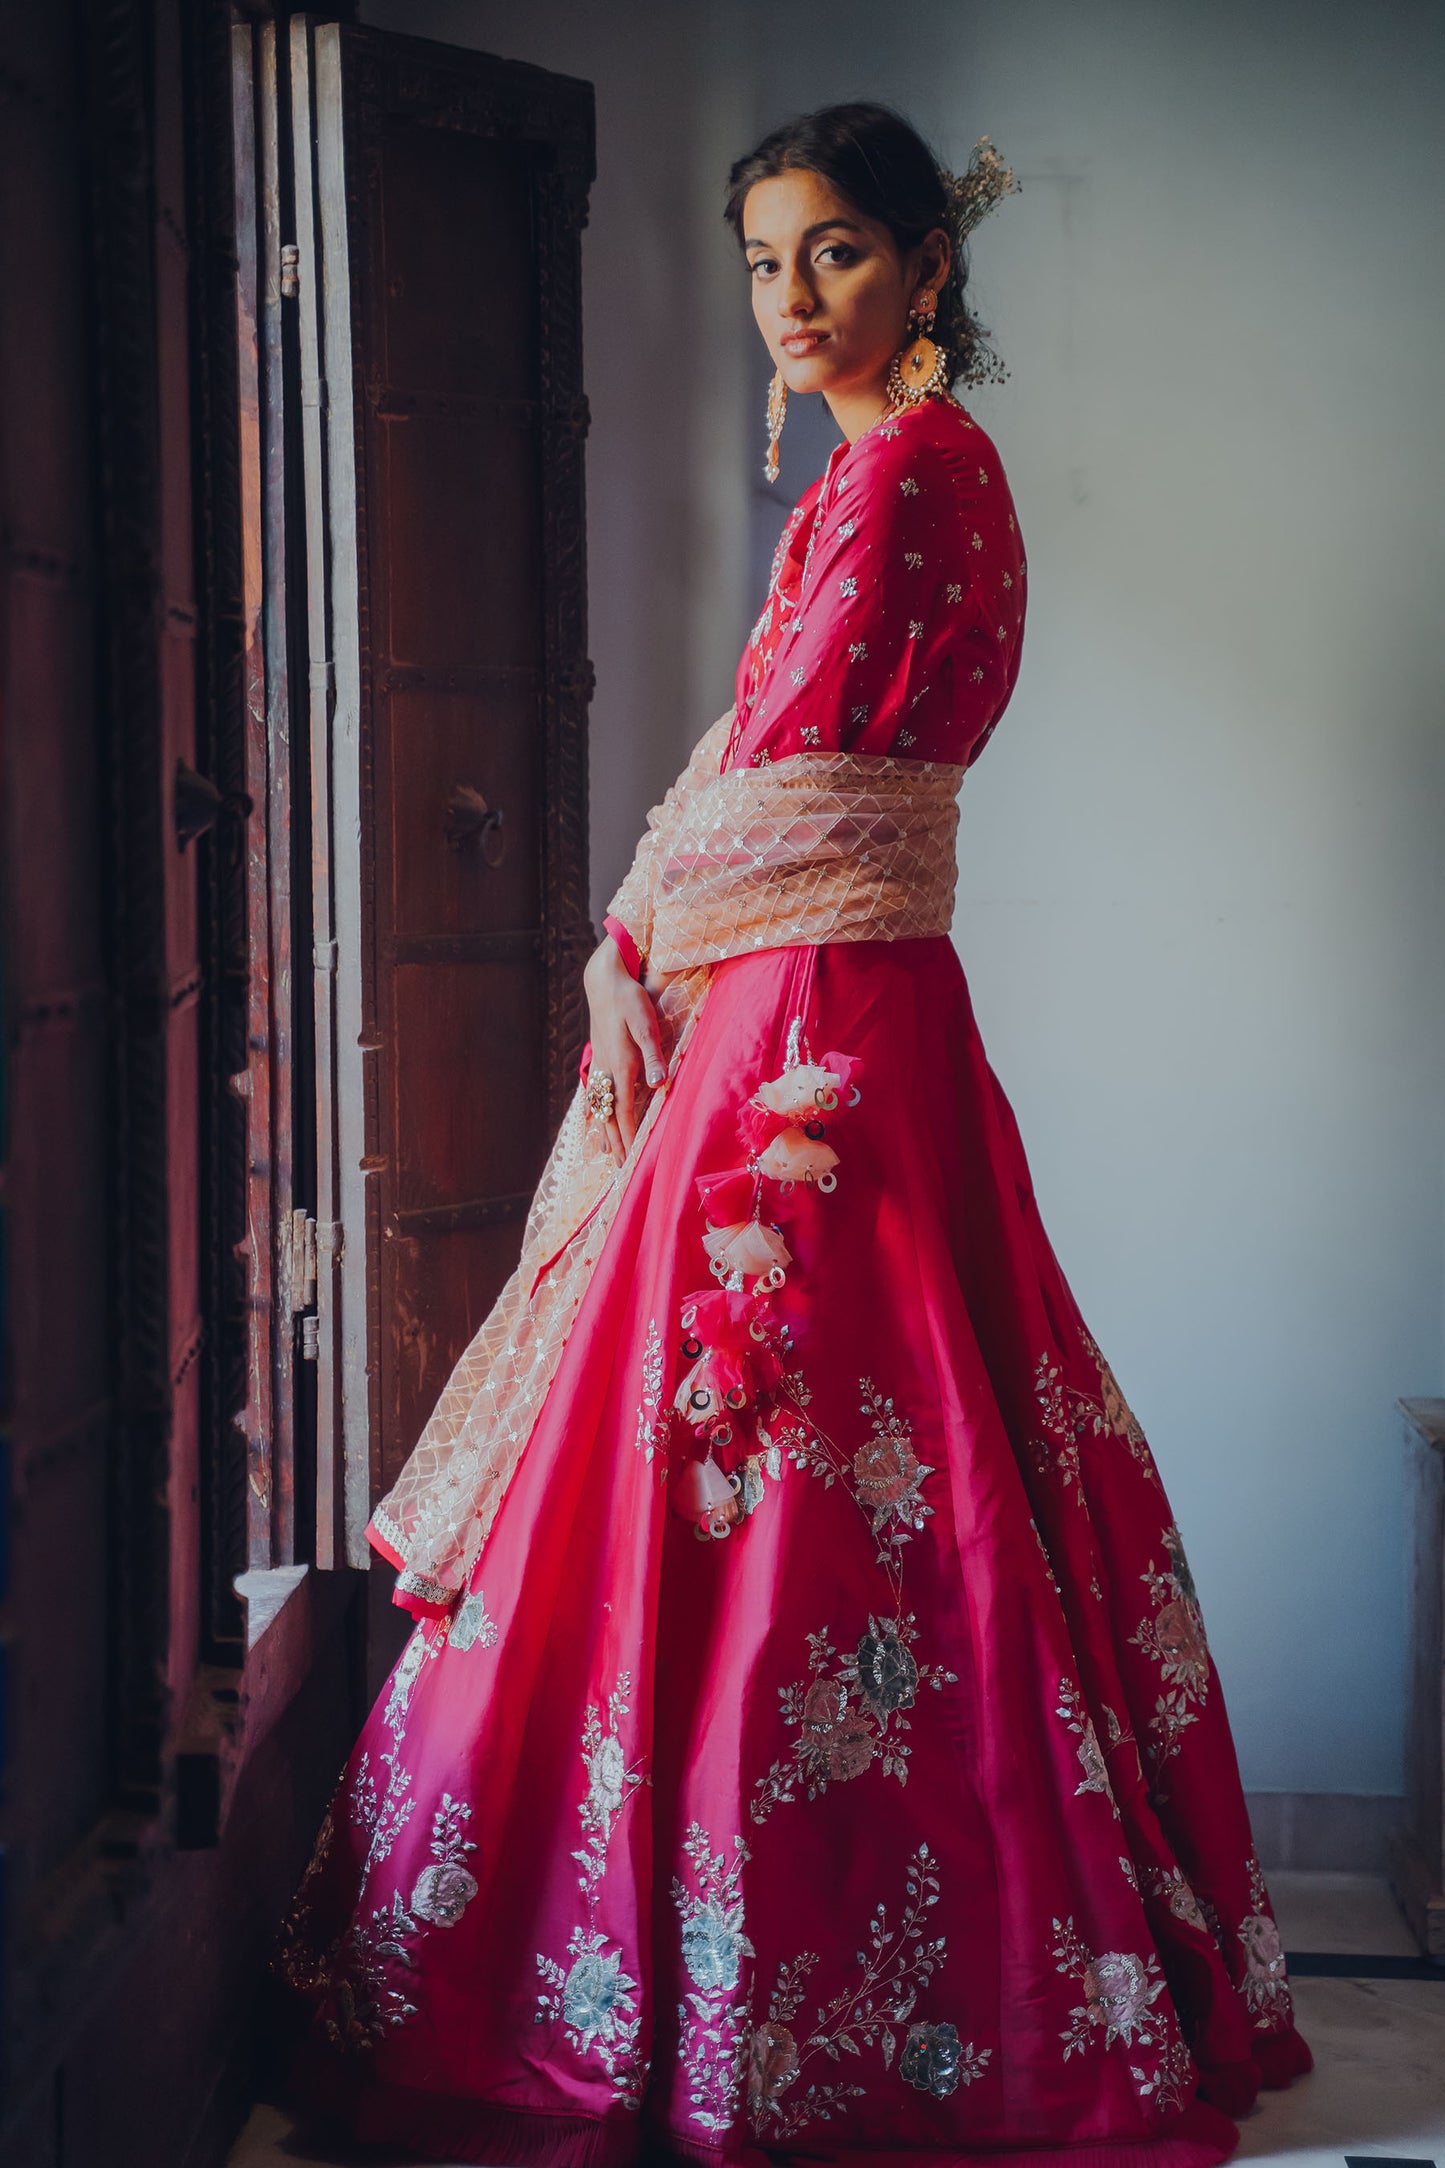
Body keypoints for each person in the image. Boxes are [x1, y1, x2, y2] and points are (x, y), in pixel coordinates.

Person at [277, 102, 1312, 2167]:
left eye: (835, 250)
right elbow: (762, 758)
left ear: (931, 266)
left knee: (797, 1460)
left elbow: (806, 786)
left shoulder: (925, 467)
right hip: (816, 1005)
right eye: (764, 262)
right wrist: (644, 928)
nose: (791, 297)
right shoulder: (872, 472)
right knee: (812, 1463)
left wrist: (626, 934)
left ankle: (826, 1998)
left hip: (816, 1039)